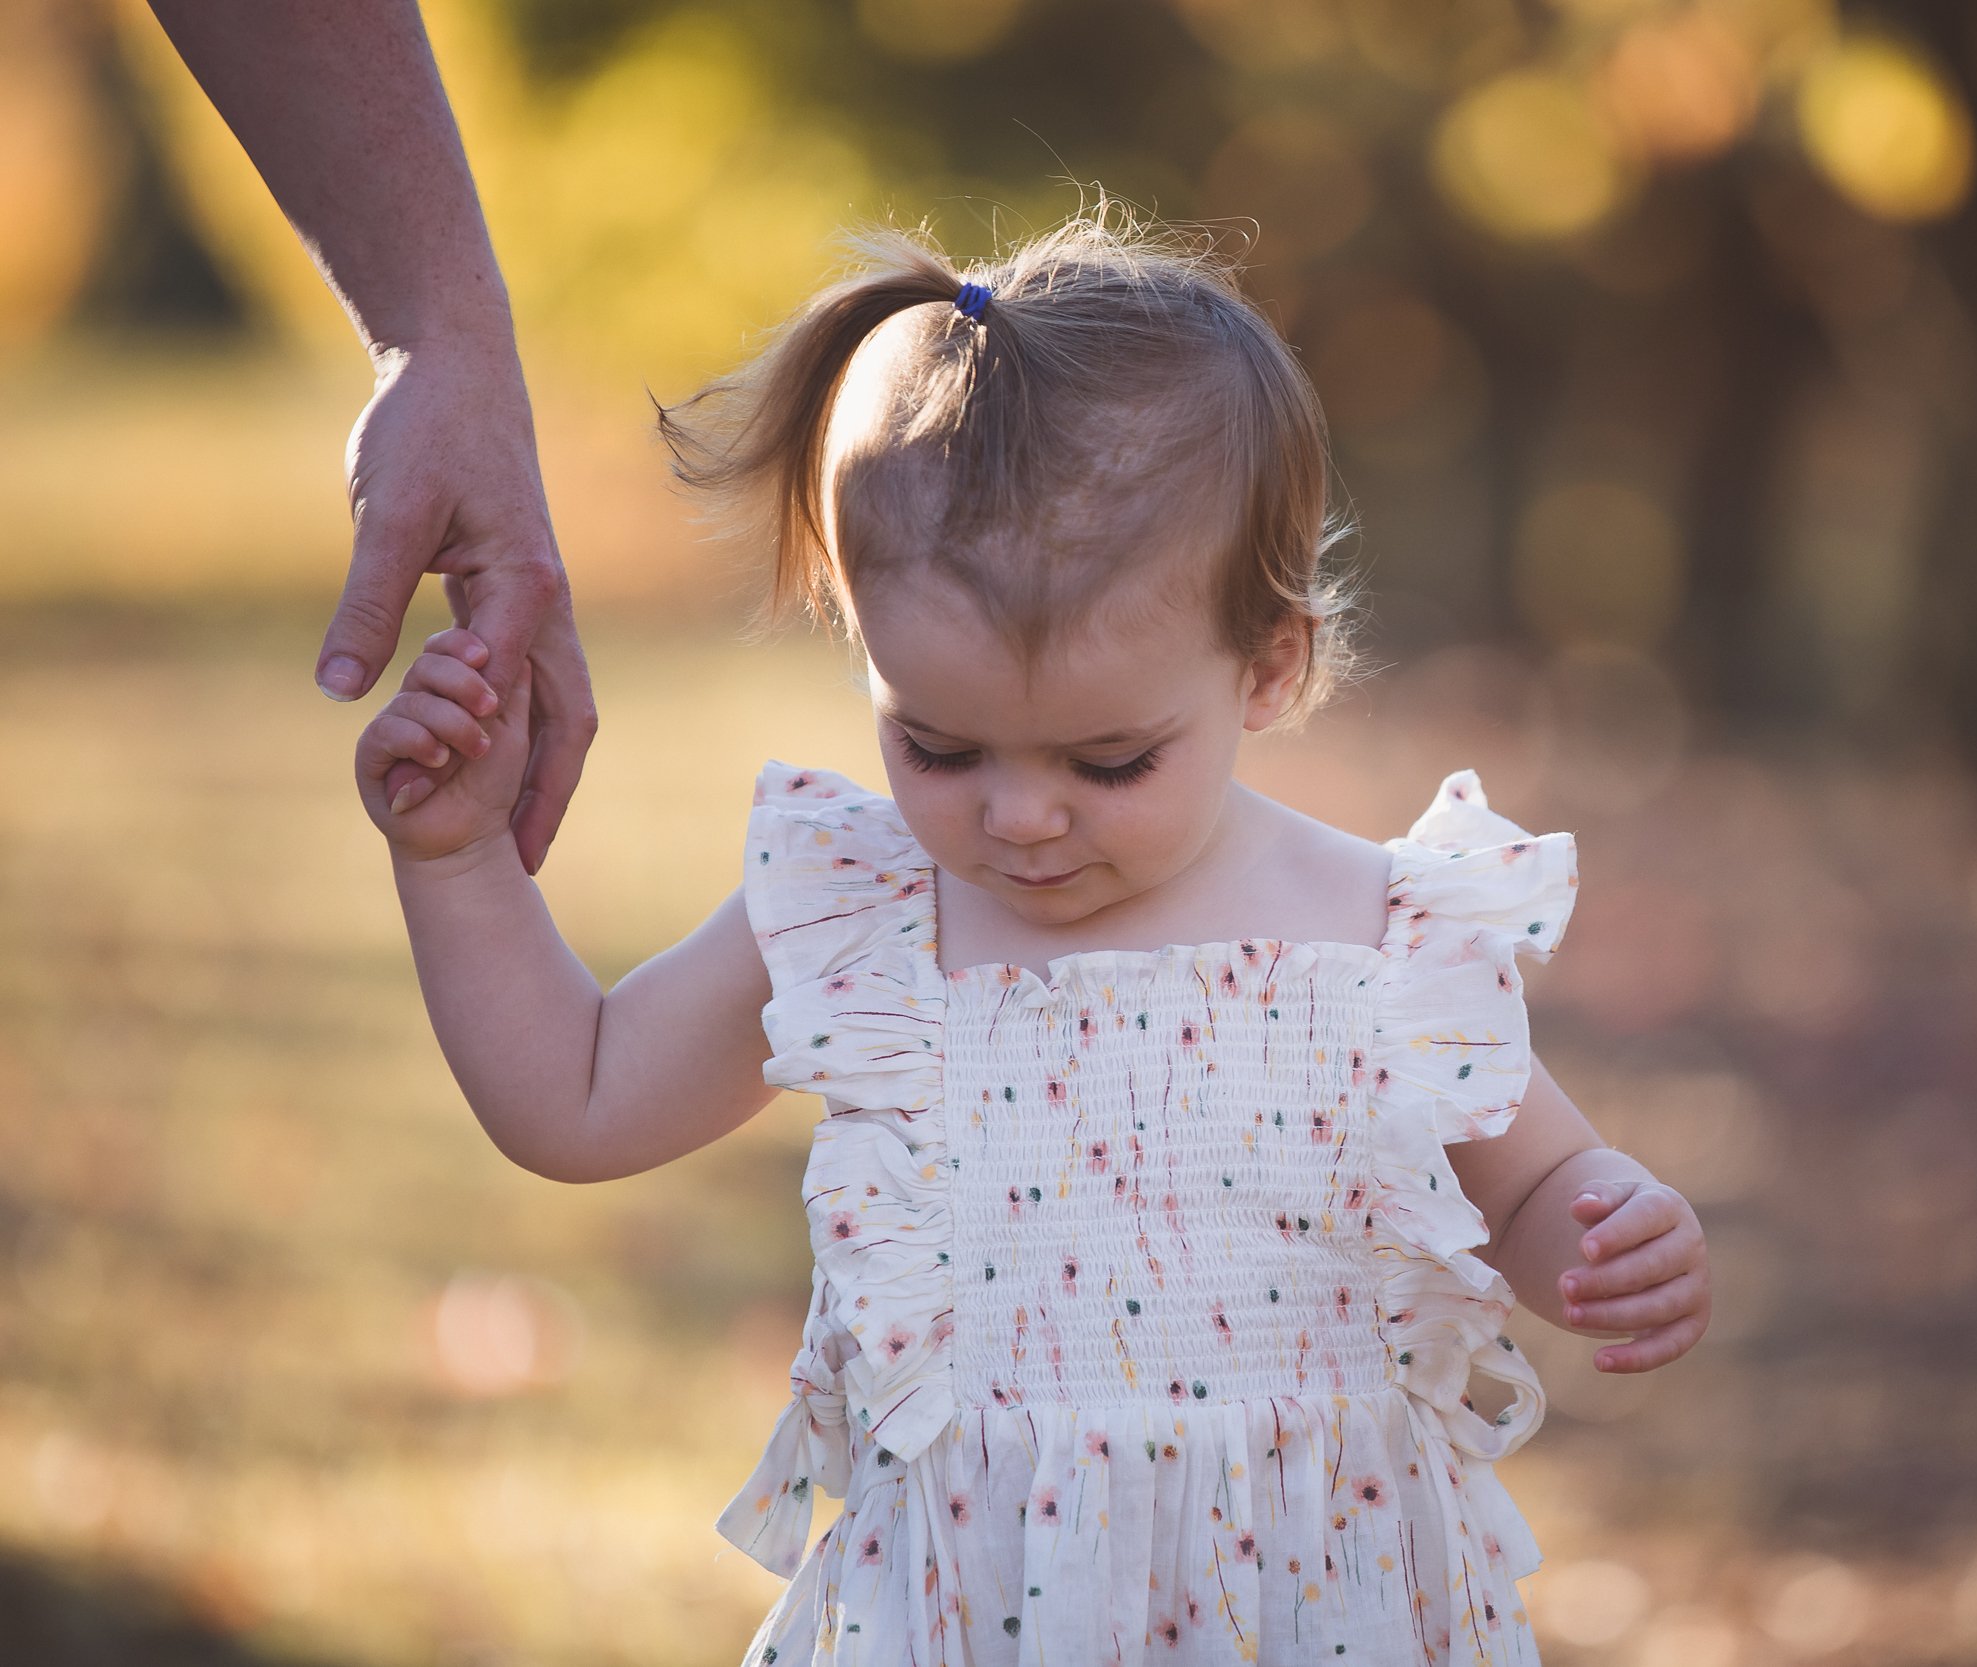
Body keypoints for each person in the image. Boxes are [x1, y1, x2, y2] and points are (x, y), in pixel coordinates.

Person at [350, 201, 1713, 1665]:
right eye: (938, 746)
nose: (1019, 820)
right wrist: (455, 856)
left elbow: (1533, 1180)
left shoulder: (1384, 933)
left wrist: (1612, 1225)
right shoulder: (865, 915)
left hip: (1318, 1610)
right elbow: (578, 1093)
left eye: (1105, 761)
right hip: (973, 1611)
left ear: (1268, 666)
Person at [148, 0, 595, 873]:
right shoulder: (840, 894)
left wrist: (440, 332)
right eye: (927, 747)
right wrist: (457, 850)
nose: (953, 812)